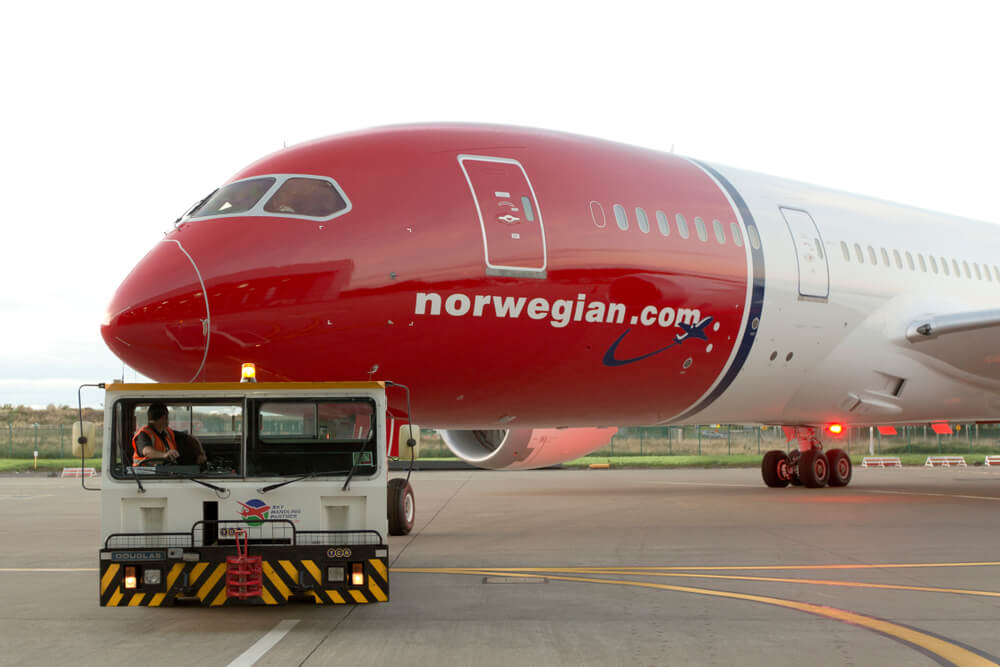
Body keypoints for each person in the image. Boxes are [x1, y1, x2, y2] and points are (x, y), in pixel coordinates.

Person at [132, 402, 207, 467]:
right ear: (164, 417)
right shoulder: (143, 433)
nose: (168, 420)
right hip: (145, 477)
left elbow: (191, 438)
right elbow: (146, 451)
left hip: (165, 471)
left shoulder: (167, 432)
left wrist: (200, 454)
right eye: (168, 416)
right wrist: (164, 455)